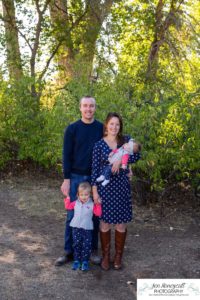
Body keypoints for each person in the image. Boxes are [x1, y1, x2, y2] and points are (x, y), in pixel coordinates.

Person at [55, 96, 103, 266]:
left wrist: (128, 165)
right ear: (80, 108)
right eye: (85, 106)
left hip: (94, 178)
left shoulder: (101, 128)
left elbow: (117, 144)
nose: (88, 109)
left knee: (94, 214)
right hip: (75, 176)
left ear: (95, 108)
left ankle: (92, 251)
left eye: (91, 106)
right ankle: (69, 251)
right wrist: (66, 179)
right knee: (72, 215)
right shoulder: (72, 129)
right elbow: (66, 155)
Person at [91, 112, 141, 270]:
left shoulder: (126, 140)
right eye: (111, 124)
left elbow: (136, 155)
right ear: (106, 125)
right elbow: (94, 171)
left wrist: (121, 160)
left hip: (121, 188)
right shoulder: (99, 145)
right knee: (104, 223)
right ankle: (106, 255)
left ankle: (118, 255)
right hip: (105, 189)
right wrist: (94, 192)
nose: (114, 127)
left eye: (117, 124)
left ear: (120, 127)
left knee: (120, 224)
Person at [64, 182, 102, 271]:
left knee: (86, 245)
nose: (84, 197)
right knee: (77, 244)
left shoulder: (92, 204)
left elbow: (98, 213)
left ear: (90, 194)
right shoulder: (75, 203)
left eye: (86, 194)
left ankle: (85, 261)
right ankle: (77, 260)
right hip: (76, 228)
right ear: (78, 194)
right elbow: (68, 207)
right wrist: (67, 198)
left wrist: (98, 204)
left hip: (87, 229)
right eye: (81, 195)